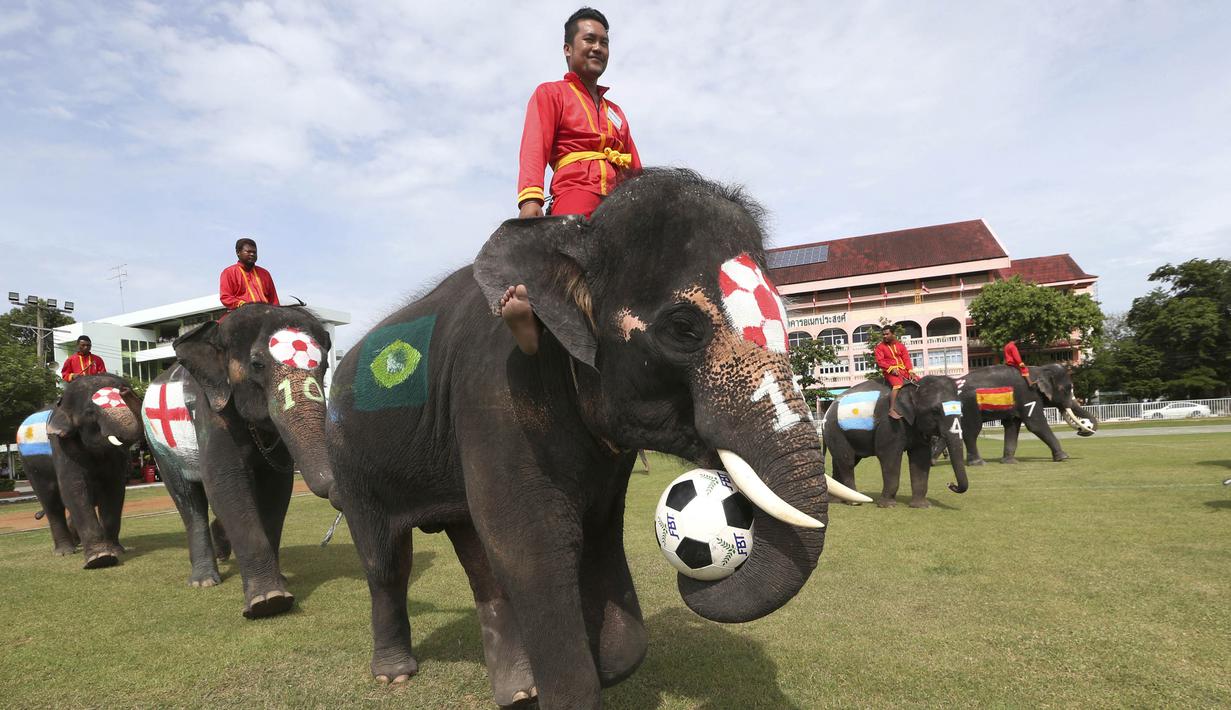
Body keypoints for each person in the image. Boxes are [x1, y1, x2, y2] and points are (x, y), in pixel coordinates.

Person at [500, 7, 641, 355]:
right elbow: (534, 145)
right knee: (568, 271)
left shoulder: (616, 111)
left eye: (604, 42)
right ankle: (530, 325)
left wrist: (645, 207)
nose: (597, 48)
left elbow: (635, 166)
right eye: (589, 39)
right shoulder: (551, 94)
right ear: (567, 48)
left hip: (619, 204)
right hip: (576, 194)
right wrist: (530, 200)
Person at [219, 238, 279, 311]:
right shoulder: (229, 272)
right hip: (241, 314)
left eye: (254, 252)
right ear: (238, 252)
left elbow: (274, 299)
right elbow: (226, 297)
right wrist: (243, 305)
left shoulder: (265, 273)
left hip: (266, 314)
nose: (252, 254)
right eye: (248, 251)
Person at [874, 325, 919, 419]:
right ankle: (891, 409)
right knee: (898, 384)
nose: (885, 336)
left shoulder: (900, 346)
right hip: (889, 372)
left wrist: (910, 371)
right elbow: (880, 361)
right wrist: (891, 369)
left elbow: (906, 359)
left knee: (918, 381)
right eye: (883, 334)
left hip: (903, 370)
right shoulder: (879, 347)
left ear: (893, 334)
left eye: (887, 334)